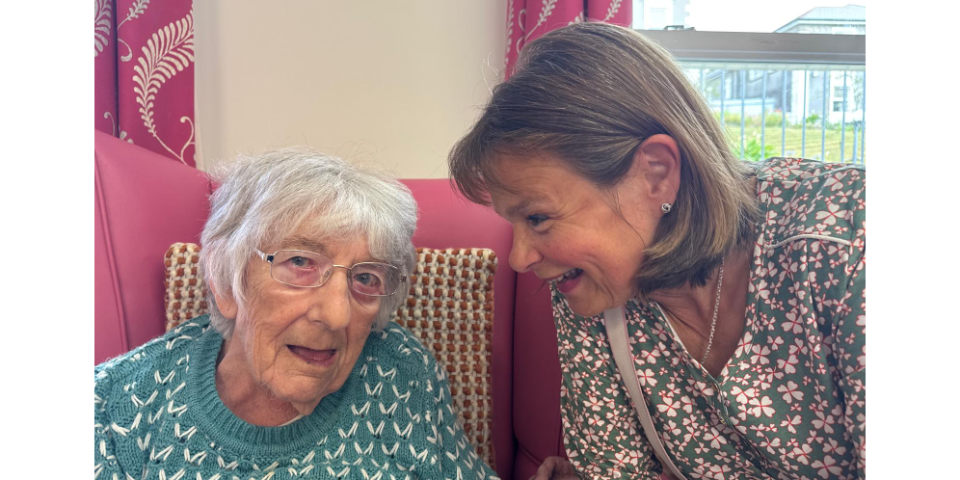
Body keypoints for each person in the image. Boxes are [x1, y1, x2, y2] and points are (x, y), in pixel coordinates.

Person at [449, 23, 864, 480]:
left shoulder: (844, 243)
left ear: (655, 174)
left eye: (538, 218)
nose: (519, 258)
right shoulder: (591, 295)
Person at [94, 150, 499, 479]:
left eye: (366, 277)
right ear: (225, 278)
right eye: (301, 262)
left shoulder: (402, 374)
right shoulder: (114, 407)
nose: (338, 315)